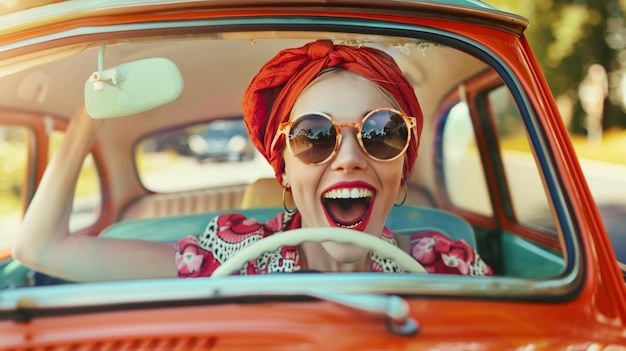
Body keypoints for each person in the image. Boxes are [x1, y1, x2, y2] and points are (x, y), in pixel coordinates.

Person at [12, 40, 492, 282]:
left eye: (380, 133)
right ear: (284, 169)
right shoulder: (230, 256)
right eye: (315, 136)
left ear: (402, 163)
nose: (348, 158)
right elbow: (42, 248)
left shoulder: (441, 264)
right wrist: (86, 119)